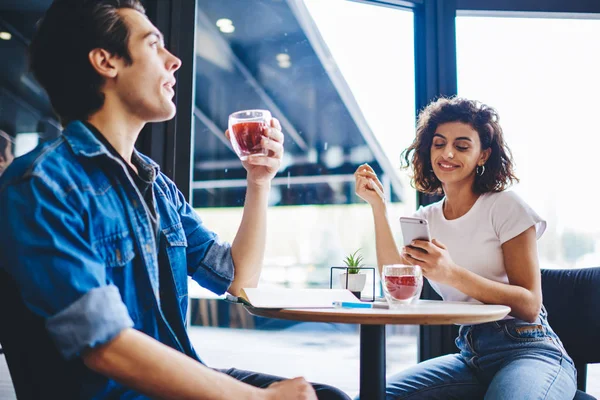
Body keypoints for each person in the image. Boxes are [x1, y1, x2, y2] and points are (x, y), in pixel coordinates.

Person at [0, 1, 350, 399]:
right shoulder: (40, 185)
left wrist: (259, 181)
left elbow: (237, 279)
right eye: (154, 45)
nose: (175, 60)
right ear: (106, 61)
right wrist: (259, 398)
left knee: (329, 396)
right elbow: (105, 346)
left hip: (176, 379)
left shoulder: (155, 184)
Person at [354, 97, 577, 399]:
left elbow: (529, 305)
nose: (447, 153)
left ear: (482, 155)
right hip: (470, 354)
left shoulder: (505, 206)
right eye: (438, 143)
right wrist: (377, 208)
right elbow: (396, 281)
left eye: (461, 146)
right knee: (374, 396)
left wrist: (450, 273)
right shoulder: (425, 219)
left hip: (529, 350)